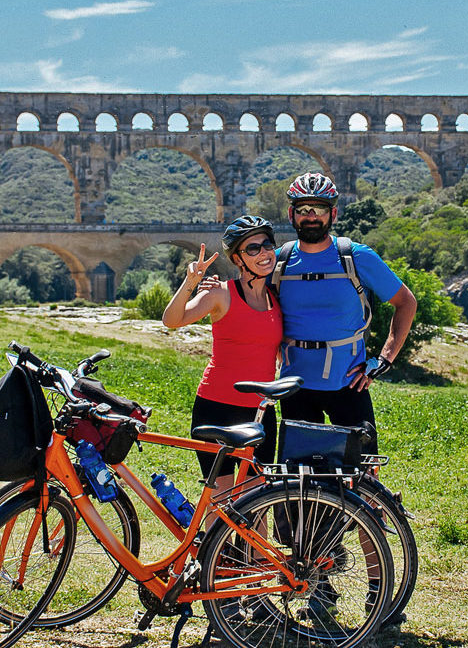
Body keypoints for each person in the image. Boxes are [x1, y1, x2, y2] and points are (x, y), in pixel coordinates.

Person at [272, 172, 416, 457]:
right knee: (295, 481)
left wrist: (384, 360)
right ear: (291, 214)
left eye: (320, 209)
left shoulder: (356, 256)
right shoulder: (278, 261)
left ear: (333, 213)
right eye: (303, 209)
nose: (311, 216)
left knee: (362, 477)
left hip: (349, 384)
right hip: (294, 385)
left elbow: (406, 302)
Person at [162, 215, 283, 479]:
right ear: (238, 259)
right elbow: (172, 320)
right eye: (253, 248)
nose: (263, 252)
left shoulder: (278, 297)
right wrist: (191, 283)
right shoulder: (220, 293)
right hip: (217, 405)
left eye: (267, 244)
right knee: (221, 498)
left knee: (256, 498)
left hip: (261, 411)